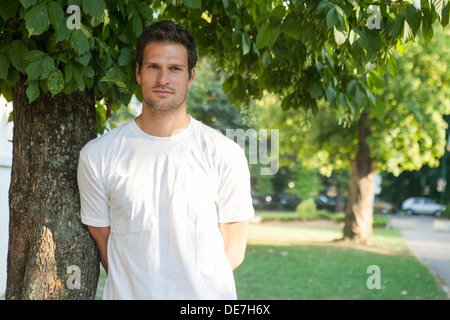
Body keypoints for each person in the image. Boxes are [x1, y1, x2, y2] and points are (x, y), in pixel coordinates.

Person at [77, 20, 254, 300]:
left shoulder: (225, 154)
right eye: (153, 67)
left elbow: (233, 250)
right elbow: (105, 244)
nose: (163, 79)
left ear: (190, 76)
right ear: (138, 73)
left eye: (175, 69)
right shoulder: (98, 155)